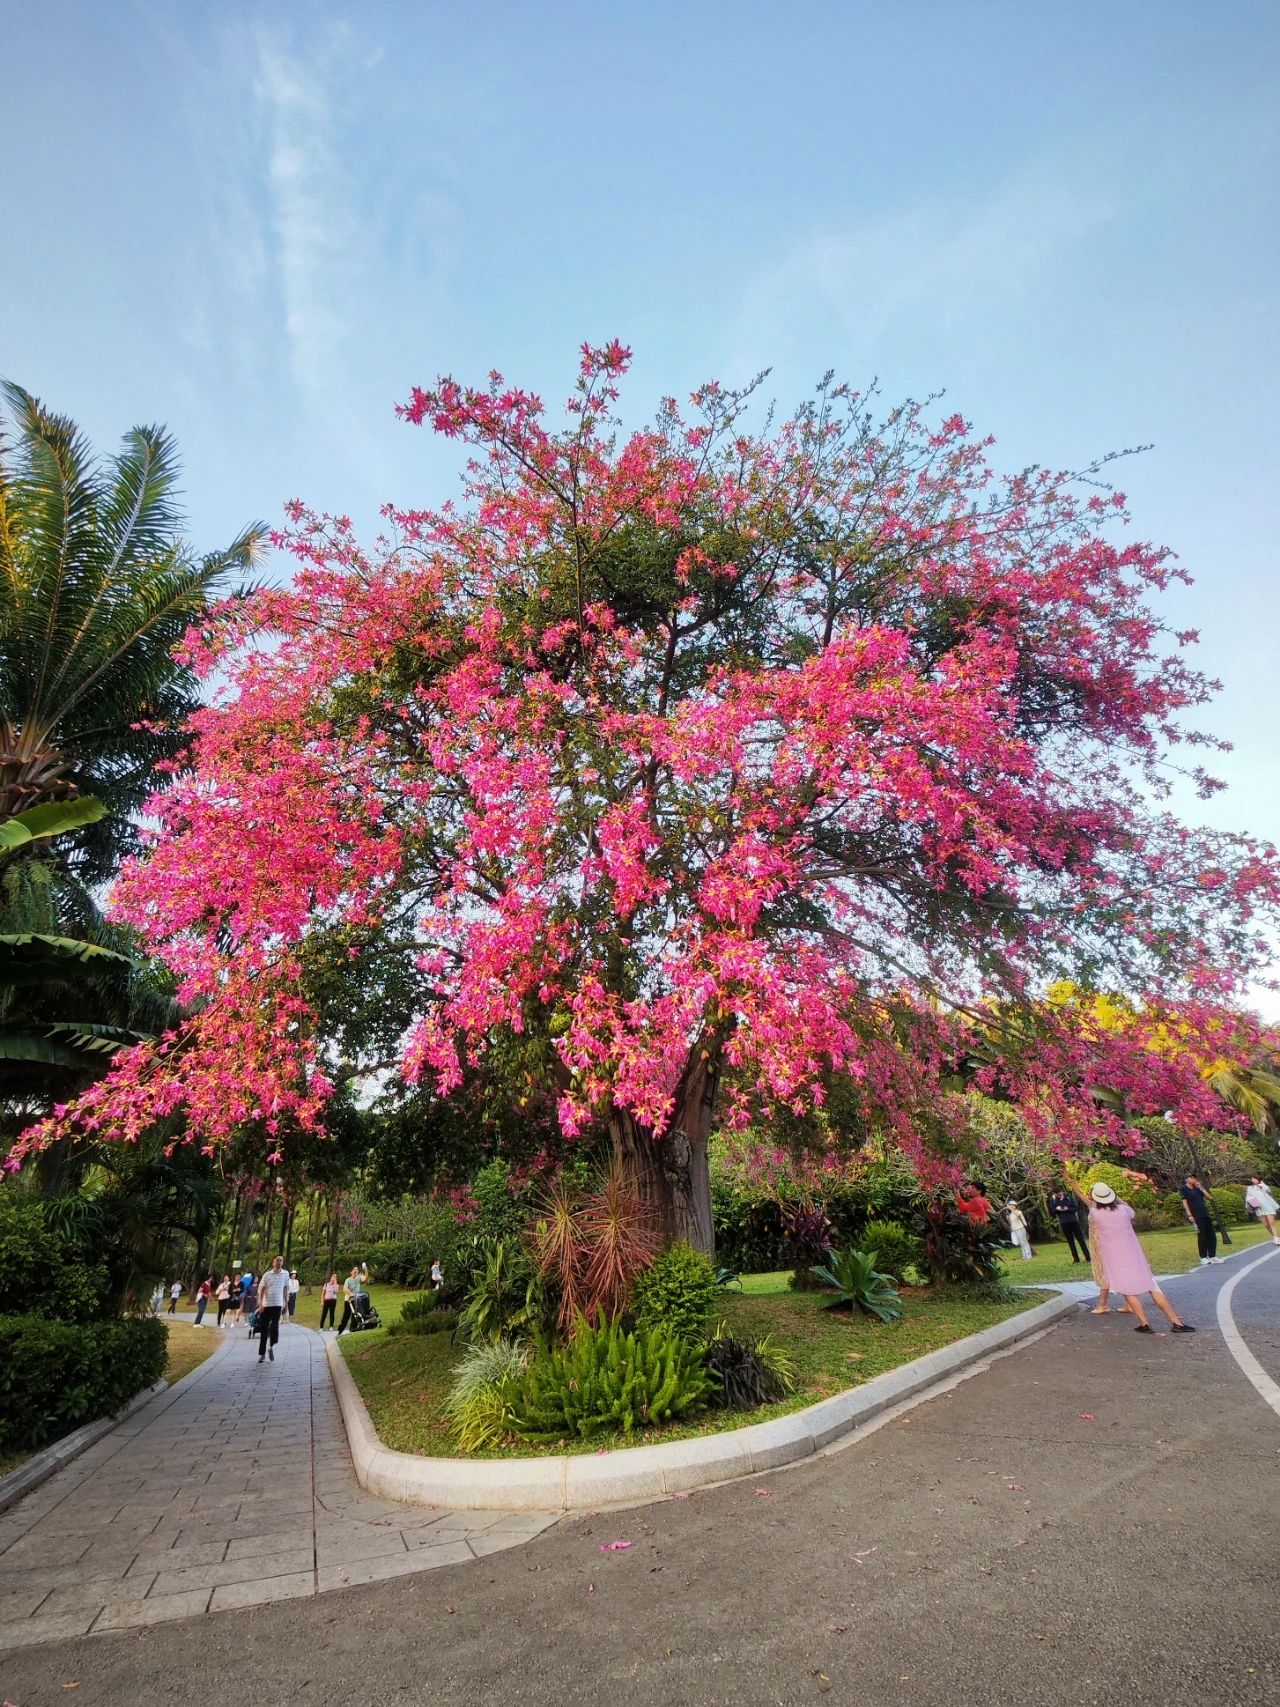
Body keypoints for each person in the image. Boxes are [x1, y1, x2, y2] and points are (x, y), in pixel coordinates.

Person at [1088, 1182, 1194, 1333]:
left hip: (1114, 1258)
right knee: (1153, 1287)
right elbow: (1131, 1211)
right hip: (1134, 1255)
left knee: (1128, 1291)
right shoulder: (1124, 1210)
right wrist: (1116, 1197)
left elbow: (1092, 1206)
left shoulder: (1094, 1213)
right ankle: (1177, 1323)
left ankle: (1145, 1324)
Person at [1180, 1174, 1222, 1265]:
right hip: (1195, 1215)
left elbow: (1209, 1198)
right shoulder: (1184, 1189)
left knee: (1211, 1235)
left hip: (1204, 1213)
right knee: (1201, 1236)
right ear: (1186, 1179)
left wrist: (1201, 1188)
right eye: (1191, 1178)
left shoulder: (1198, 1188)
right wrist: (1189, 1215)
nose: (1193, 1179)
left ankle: (1212, 1255)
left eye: (1194, 1178)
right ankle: (1203, 1257)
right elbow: (1185, 1203)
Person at [256, 1255, 289, 1363]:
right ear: (273, 1262)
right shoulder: (267, 1275)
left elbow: (285, 1289)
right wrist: (260, 1304)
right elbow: (261, 1290)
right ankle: (262, 1354)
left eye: (281, 1260)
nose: (279, 1262)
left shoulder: (285, 1274)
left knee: (275, 1327)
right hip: (266, 1305)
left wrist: (286, 1304)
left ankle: (271, 1347)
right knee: (264, 1330)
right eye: (277, 1260)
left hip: (277, 1304)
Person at [1046, 1185, 1089, 1264]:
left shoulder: (1068, 1196)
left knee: (1081, 1240)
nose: (1059, 1195)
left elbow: (1075, 1208)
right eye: (1057, 1195)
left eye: (1060, 1194)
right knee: (1070, 1241)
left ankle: (1088, 1257)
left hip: (1073, 1221)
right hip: (1064, 1222)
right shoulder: (1053, 1199)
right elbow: (1052, 1210)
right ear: (1055, 1194)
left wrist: (1067, 1209)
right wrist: (1057, 1209)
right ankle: (1076, 1259)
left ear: (1062, 1191)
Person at [1245, 1176, 1280, 1243]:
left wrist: (1262, 1184)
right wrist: (1248, 1205)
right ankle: (1274, 1236)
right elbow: (1248, 1197)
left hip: (1268, 1207)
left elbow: (1268, 1191)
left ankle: (1277, 1239)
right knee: (1266, 1225)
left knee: (1271, 1223)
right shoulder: (1249, 1188)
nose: (1253, 1180)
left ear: (1259, 1179)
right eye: (1252, 1179)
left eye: (1255, 1178)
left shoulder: (1263, 1186)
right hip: (1259, 1208)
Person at [336, 1264, 363, 1335]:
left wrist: (365, 1269)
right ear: (351, 1272)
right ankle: (340, 1330)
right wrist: (350, 1293)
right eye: (354, 1270)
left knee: (355, 1314)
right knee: (346, 1315)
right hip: (348, 1300)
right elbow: (344, 1289)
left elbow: (365, 1277)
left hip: (356, 1299)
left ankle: (353, 1329)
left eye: (356, 1270)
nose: (355, 1271)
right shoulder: (347, 1280)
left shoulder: (358, 1278)